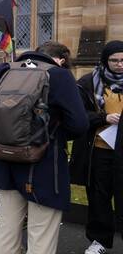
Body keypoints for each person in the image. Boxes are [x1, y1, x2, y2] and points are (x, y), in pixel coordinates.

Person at [0, 42, 88, 254]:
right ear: (60, 60)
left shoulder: (2, 70)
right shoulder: (59, 75)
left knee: (7, 229)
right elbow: (79, 124)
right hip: (44, 164)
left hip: (4, 160)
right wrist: (51, 133)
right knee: (41, 235)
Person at [70, 40, 123, 254]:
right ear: (105, 60)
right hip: (99, 150)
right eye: (114, 60)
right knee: (99, 197)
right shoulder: (88, 82)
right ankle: (99, 240)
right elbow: (78, 115)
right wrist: (103, 118)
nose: (119, 64)